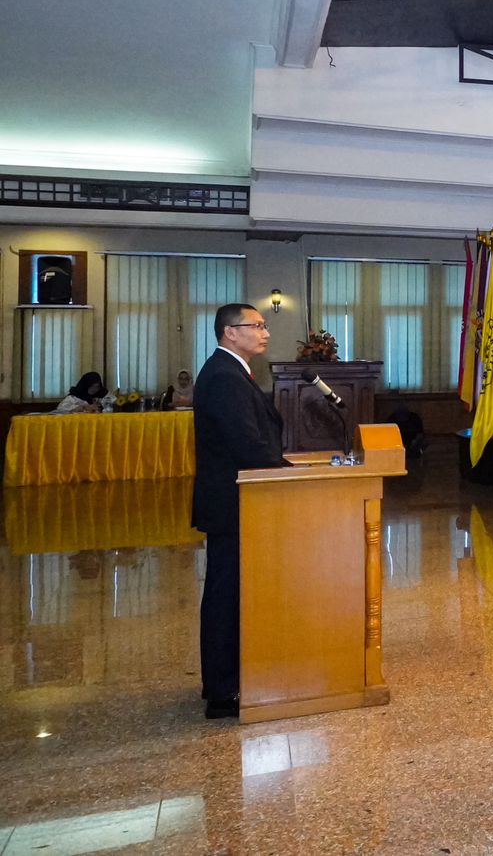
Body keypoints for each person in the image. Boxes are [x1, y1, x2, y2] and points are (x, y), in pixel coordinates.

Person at [191, 303, 289, 719]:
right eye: (257, 325)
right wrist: (286, 472)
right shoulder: (224, 377)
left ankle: (228, 680)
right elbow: (247, 445)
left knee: (232, 593)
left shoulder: (232, 372)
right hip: (233, 502)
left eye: (264, 326)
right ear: (230, 332)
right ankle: (223, 690)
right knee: (226, 595)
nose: (265, 332)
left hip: (238, 500)